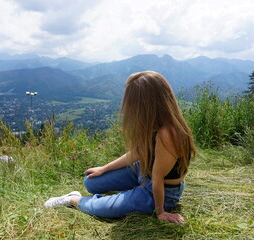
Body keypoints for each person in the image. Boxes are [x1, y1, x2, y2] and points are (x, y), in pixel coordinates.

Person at [44, 71, 196, 224]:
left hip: (161, 191)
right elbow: (138, 152)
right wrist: (104, 168)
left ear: (147, 103)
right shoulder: (155, 124)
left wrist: (161, 212)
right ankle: (129, 192)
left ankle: (72, 199)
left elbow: (158, 178)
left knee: (102, 210)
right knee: (90, 182)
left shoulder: (168, 133)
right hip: (143, 172)